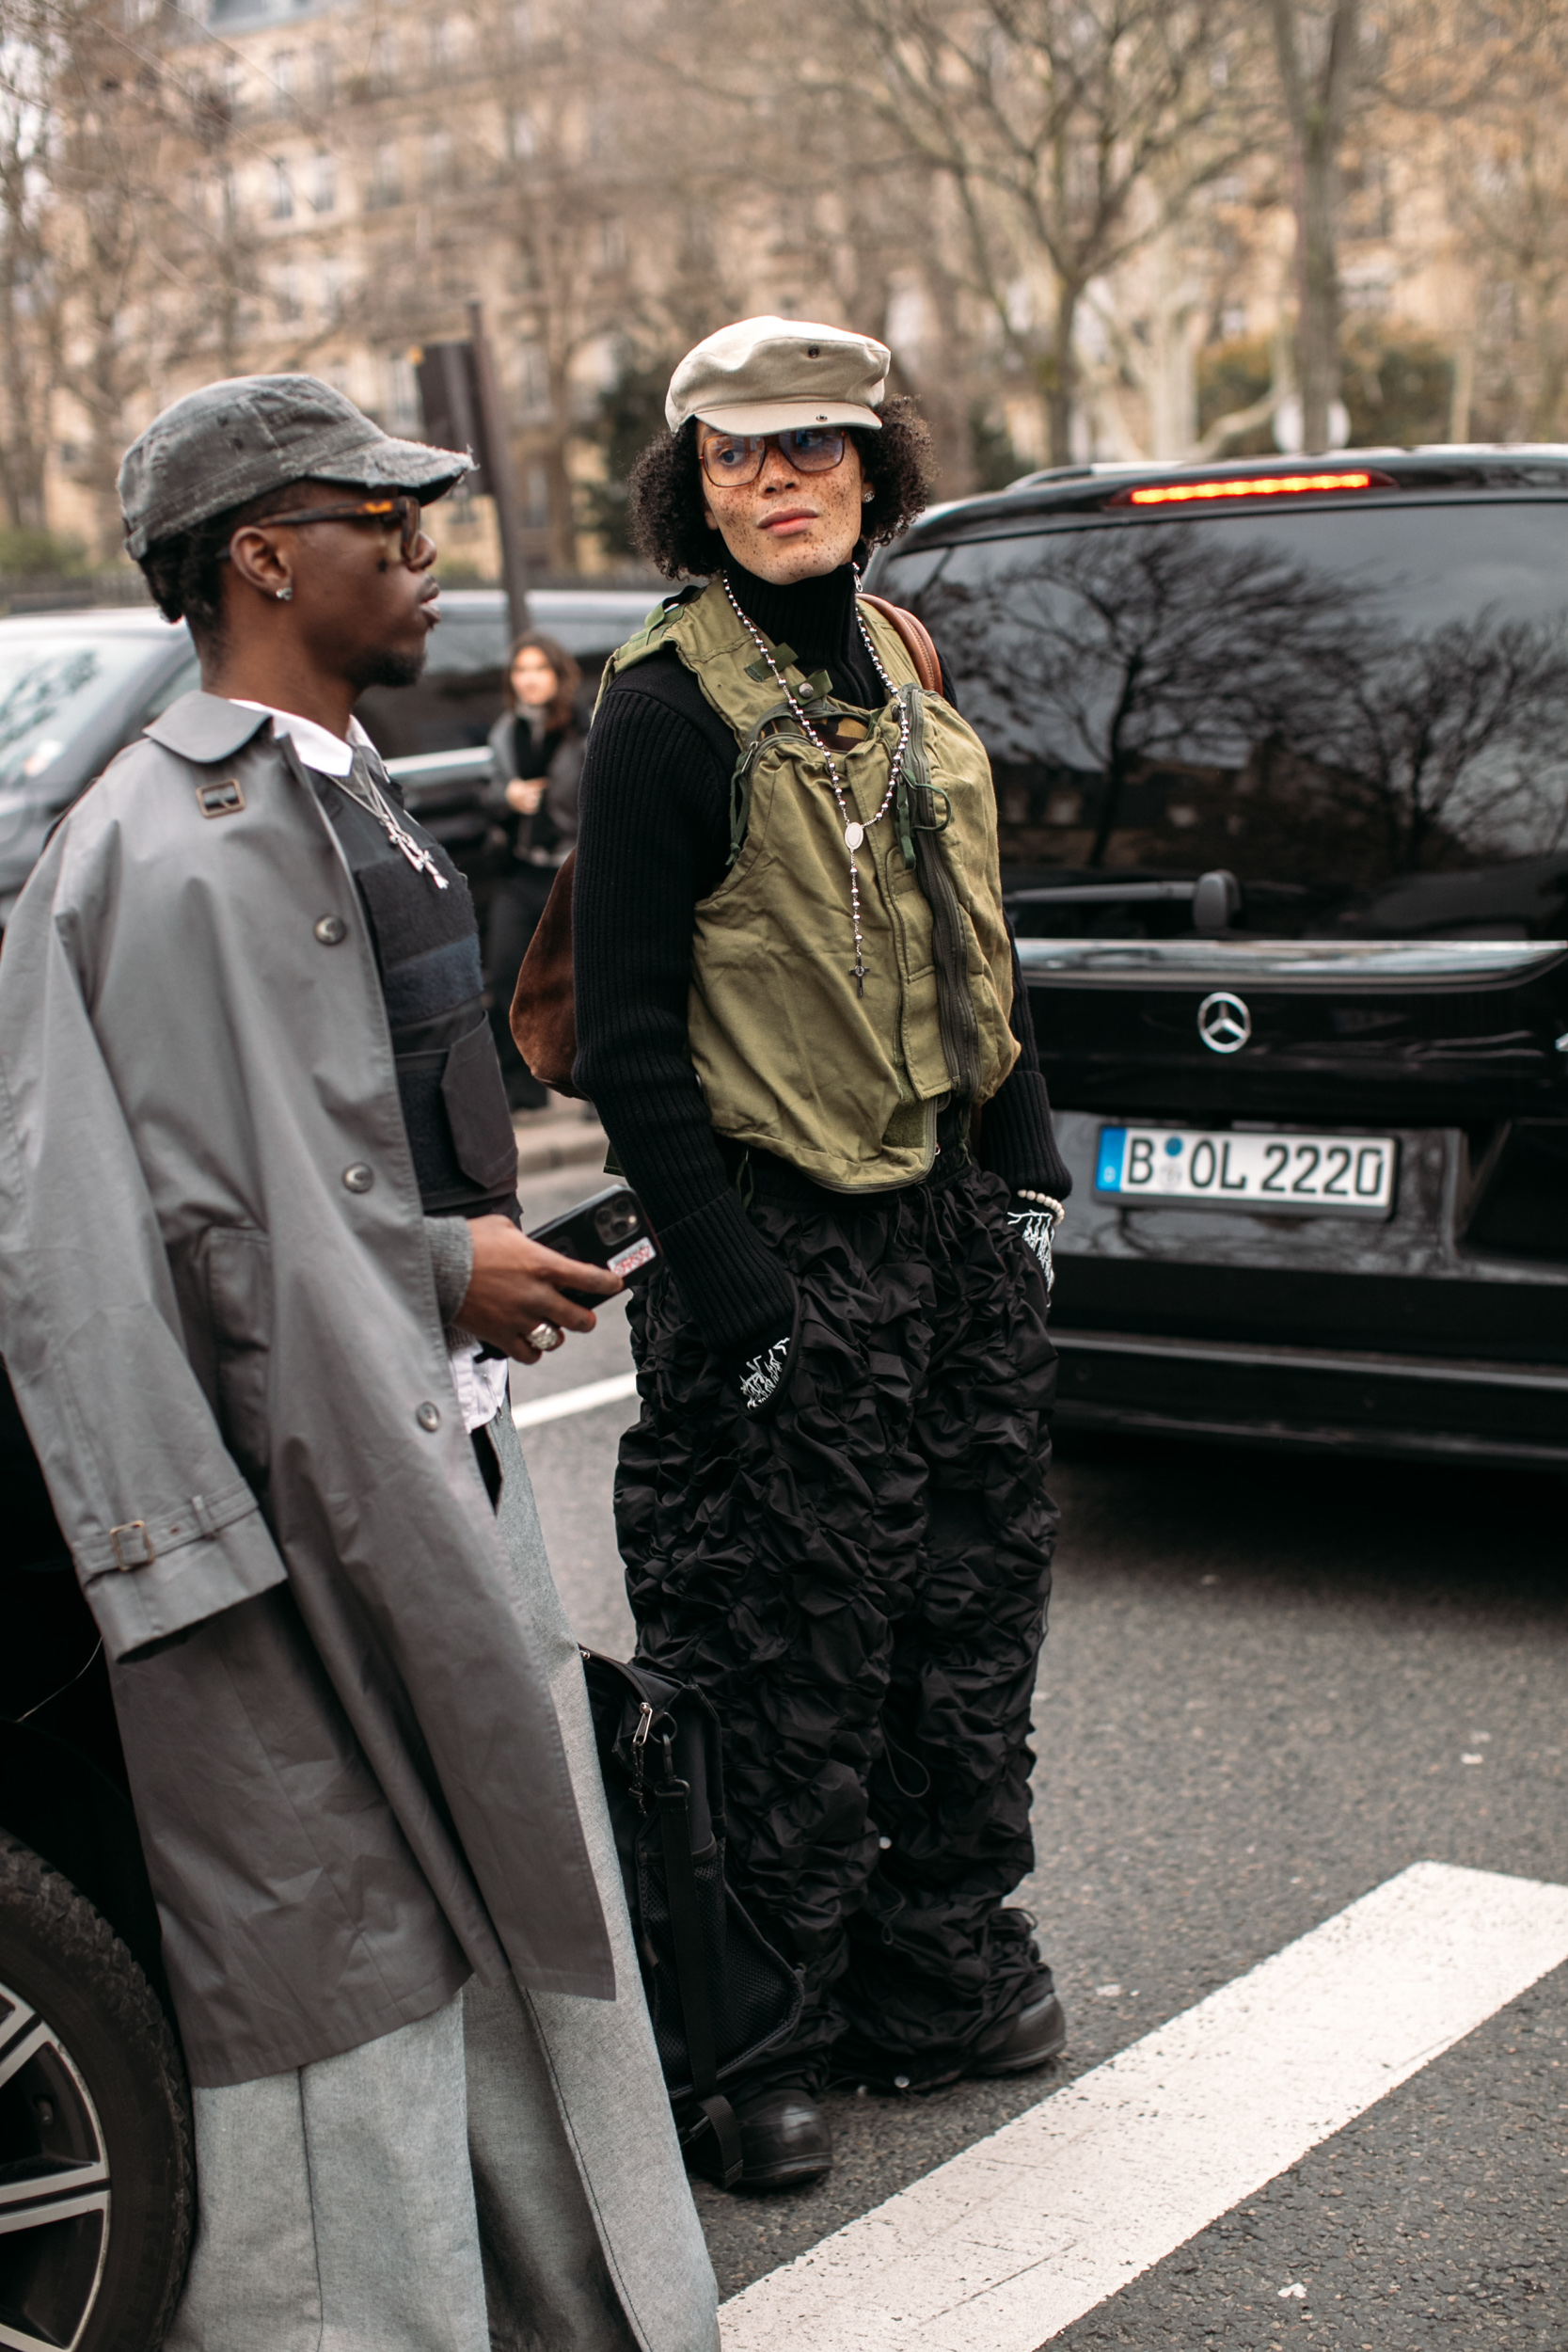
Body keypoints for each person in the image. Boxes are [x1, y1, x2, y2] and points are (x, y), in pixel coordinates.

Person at [0, 373, 718, 2352]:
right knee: (340, 1962)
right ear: (260, 555)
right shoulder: (175, 843)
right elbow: (139, 1234)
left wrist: (450, 1266)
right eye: (377, 523)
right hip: (299, 1505)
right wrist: (436, 1268)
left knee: (468, 1914)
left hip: (410, 1451)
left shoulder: (325, 788)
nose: (421, 558)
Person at [571, 317, 1073, 2193]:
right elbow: (623, 1037)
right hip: (778, 1241)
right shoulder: (657, 712)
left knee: (962, 1616)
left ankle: (937, 1971)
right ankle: (749, 2048)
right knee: (768, 1651)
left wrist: (1019, 1182)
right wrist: (728, 1283)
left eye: (810, 449)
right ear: (692, 483)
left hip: (943, 1225)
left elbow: (978, 962)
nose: (774, 482)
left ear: (873, 470)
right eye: (734, 455)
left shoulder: (902, 664)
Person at [485, 631, 585, 1109]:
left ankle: (591, 1086)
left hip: (569, 868)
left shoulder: (583, 730)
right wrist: (508, 797)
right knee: (506, 972)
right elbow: (488, 790)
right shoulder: (506, 731)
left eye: (539, 669)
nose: (529, 680)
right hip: (521, 870)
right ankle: (523, 1089)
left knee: (581, 979)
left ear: (557, 675)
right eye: (520, 670)